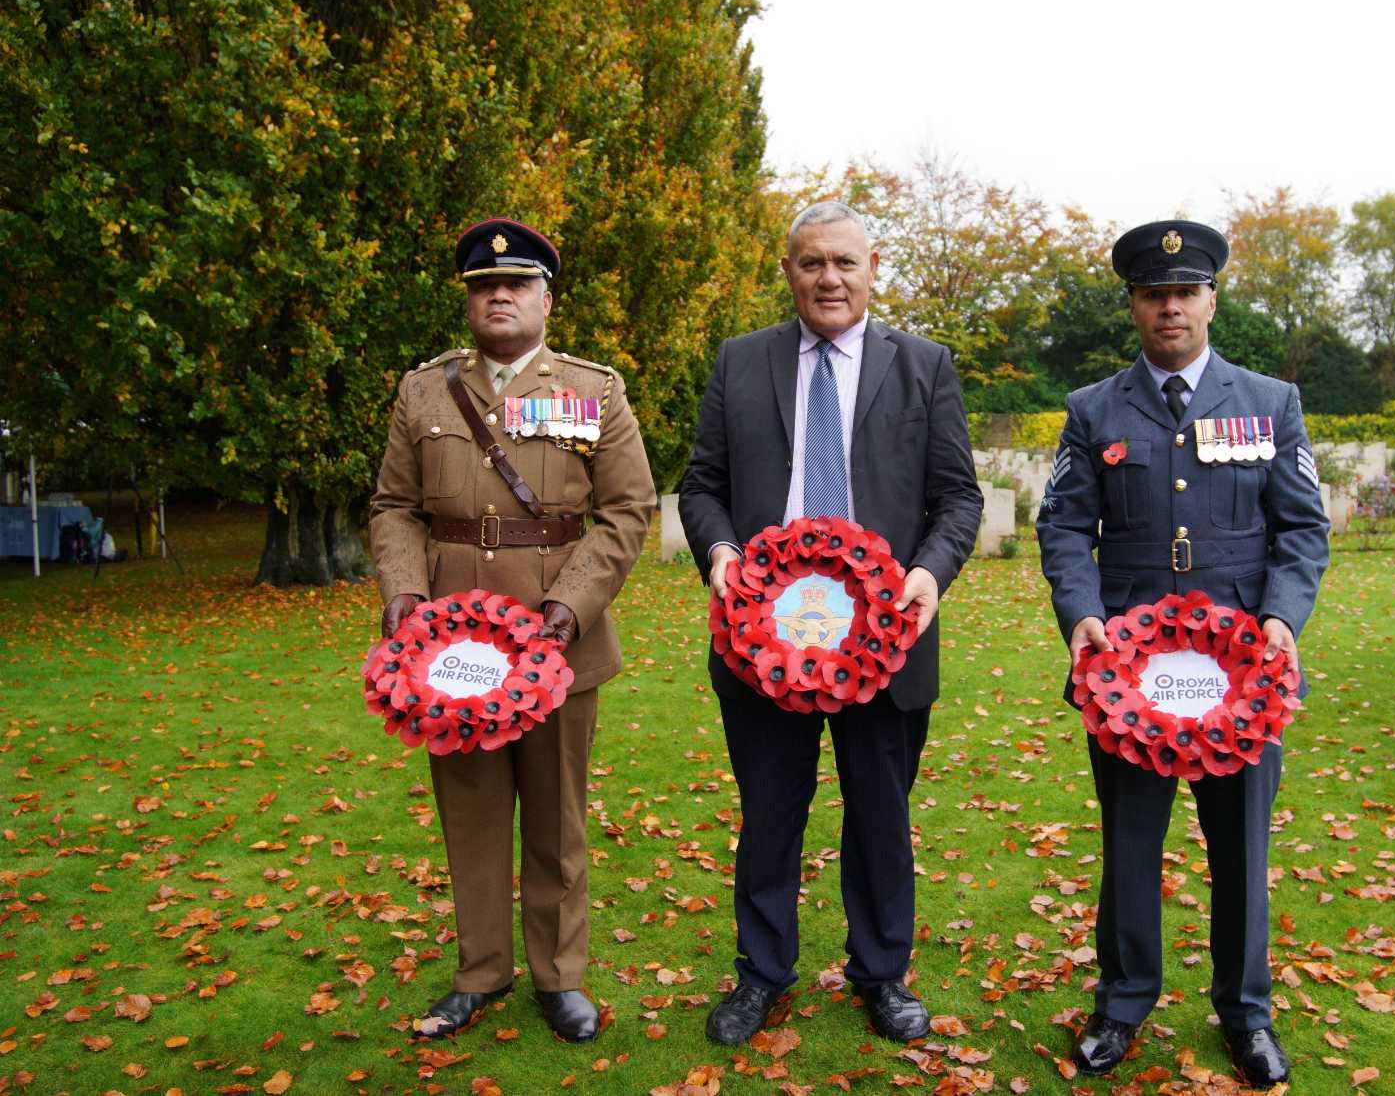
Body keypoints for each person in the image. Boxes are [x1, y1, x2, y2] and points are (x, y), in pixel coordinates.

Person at [678, 201, 982, 1047]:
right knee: (769, 812)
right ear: (789, 271)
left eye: (844, 262)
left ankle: (881, 972)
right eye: (811, 262)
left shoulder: (923, 365)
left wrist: (926, 572)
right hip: (762, 641)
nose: (829, 278)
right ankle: (763, 974)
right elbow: (700, 483)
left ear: (872, 267)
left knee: (880, 813)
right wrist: (722, 554)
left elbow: (959, 496)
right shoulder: (742, 363)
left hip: (884, 642)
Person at [1034, 221, 1329, 1088]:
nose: (1171, 306)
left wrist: (1281, 620)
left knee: (1239, 844)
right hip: (1126, 671)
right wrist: (1081, 615)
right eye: (1154, 293)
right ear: (1133, 303)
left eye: (1186, 291)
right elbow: (1062, 525)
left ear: (1211, 298)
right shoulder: (1094, 409)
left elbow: (1302, 529)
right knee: (1129, 841)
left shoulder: (1269, 402)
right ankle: (1123, 1001)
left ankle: (1246, 1012)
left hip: (1243, 670)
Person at [370, 219, 657, 1041]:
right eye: (482, 286)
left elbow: (626, 509)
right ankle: (480, 970)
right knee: (471, 812)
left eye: (517, 284)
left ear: (545, 299)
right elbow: (395, 507)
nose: (498, 294)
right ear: (468, 300)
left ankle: (559, 976)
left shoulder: (593, 390)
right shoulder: (424, 392)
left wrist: (569, 608)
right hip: (450, 648)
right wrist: (403, 593)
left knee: (557, 816)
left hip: (556, 641)